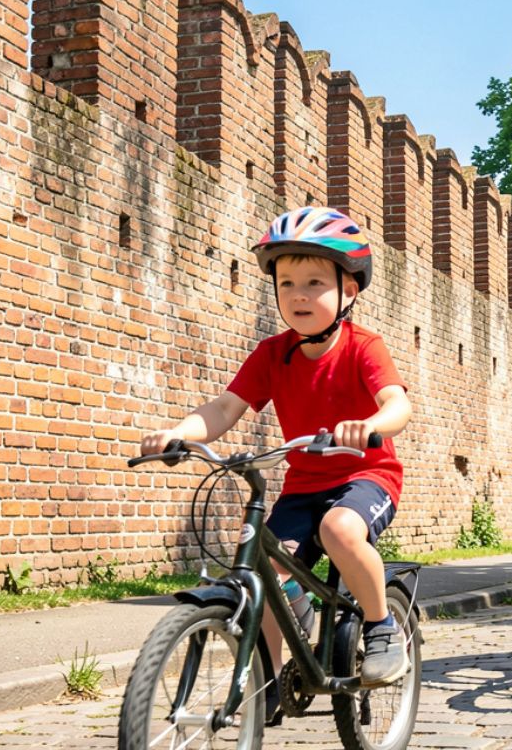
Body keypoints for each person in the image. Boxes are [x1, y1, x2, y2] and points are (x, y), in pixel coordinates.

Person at [140, 206, 413, 688]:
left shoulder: (362, 346)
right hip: (302, 485)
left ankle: (382, 627)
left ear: (348, 290)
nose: (298, 295)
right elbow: (225, 408)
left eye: (313, 283)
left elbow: (397, 404)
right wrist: (179, 432)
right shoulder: (272, 354)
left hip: (366, 478)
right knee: (263, 568)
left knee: (341, 530)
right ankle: (263, 681)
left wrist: (370, 425)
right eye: (286, 283)